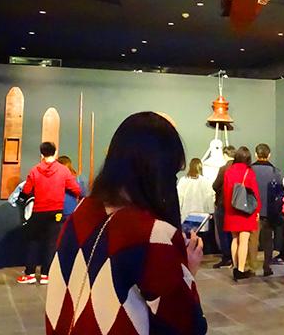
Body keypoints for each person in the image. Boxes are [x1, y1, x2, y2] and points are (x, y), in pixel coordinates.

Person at [45, 112, 207, 334]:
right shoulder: (152, 233)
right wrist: (186, 271)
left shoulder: (82, 212)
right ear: (159, 171)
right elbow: (186, 325)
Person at [17, 142, 81, 285]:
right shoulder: (63, 171)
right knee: (51, 243)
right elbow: (76, 189)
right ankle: (46, 275)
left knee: (33, 241)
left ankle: (30, 274)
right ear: (55, 152)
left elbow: (26, 190)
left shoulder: (35, 170)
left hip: (38, 212)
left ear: (41, 154)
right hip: (56, 212)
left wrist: (21, 199)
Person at [222, 146, 260, 281]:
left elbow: (226, 193)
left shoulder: (228, 172)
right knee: (244, 240)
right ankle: (241, 270)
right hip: (245, 211)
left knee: (235, 239)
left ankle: (235, 266)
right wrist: (257, 210)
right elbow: (254, 194)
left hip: (232, 210)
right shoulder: (249, 172)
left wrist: (228, 208)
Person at [252, 143, 284, 276]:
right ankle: (267, 266)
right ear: (269, 155)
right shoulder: (275, 172)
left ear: (256, 154)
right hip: (269, 211)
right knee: (268, 241)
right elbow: (280, 192)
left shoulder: (250, 170)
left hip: (253, 211)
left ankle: (251, 266)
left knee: (252, 241)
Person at [211, 146, 235, 268]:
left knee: (223, 231)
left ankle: (226, 256)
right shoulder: (240, 168)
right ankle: (235, 256)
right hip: (236, 204)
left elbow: (215, 185)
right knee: (234, 232)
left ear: (225, 155)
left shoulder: (224, 169)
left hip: (223, 202)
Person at [177, 158, 215, 222]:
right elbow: (210, 197)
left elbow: (179, 198)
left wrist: (178, 211)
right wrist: (211, 211)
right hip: (202, 215)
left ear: (190, 167)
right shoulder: (206, 181)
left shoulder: (183, 180)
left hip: (186, 215)